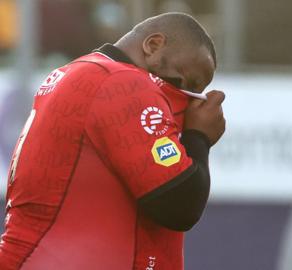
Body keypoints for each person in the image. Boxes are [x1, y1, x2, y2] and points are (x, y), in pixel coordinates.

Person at [0, 12, 225, 270]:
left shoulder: (80, 71)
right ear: (152, 45)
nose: (188, 98)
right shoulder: (124, 83)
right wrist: (199, 137)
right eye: (185, 82)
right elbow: (179, 203)